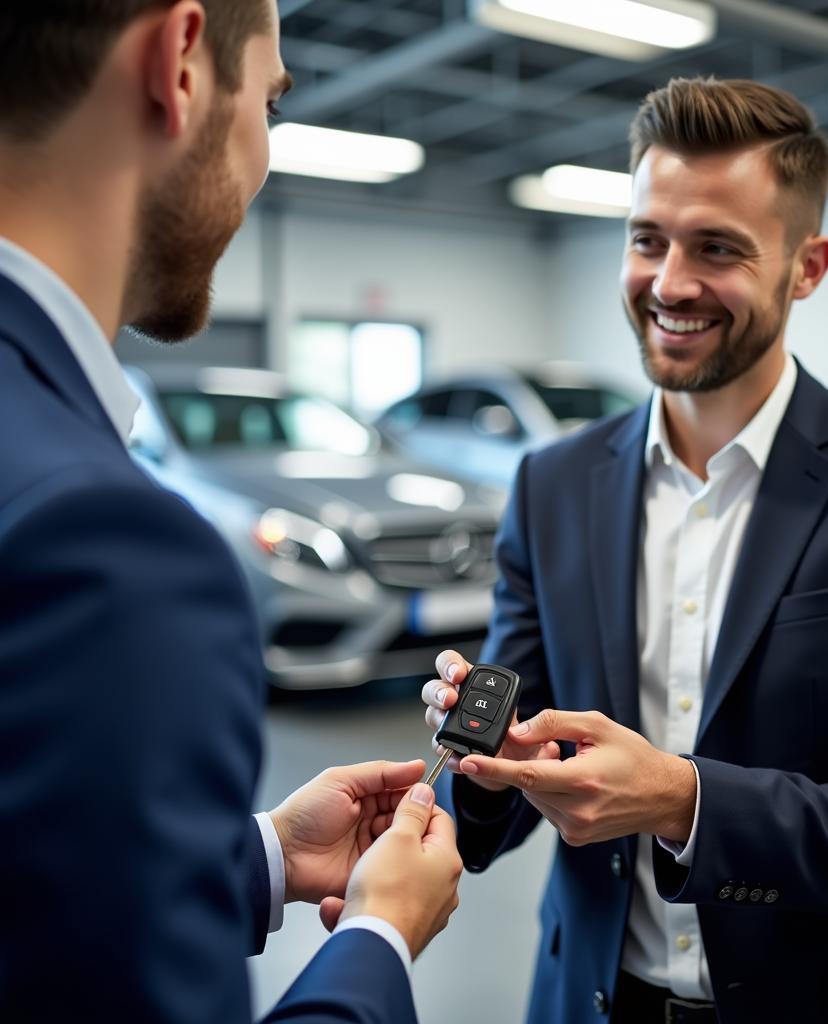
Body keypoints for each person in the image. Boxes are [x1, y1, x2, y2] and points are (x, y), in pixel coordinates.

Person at [423, 77, 828, 1024]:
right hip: (597, 999)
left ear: (806, 267)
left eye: (718, 248)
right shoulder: (554, 485)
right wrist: (479, 765)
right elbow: (498, 808)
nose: (671, 281)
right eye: (648, 239)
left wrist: (684, 801)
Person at [0, 2, 461, 1021]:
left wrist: (254, 858)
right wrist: (381, 935)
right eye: (269, 101)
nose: (261, 159)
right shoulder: (111, 550)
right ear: (179, 66)